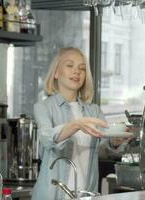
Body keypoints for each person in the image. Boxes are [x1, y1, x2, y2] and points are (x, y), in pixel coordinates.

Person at [31, 47, 109, 200]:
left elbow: (105, 144)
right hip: (52, 196)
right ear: (56, 72)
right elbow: (47, 138)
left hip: (86, 195)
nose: (77, 71)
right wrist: (76, 125)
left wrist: (118, 140)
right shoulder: (43, 107)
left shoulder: (94, 111)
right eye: (69, 65)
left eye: (82, 68)